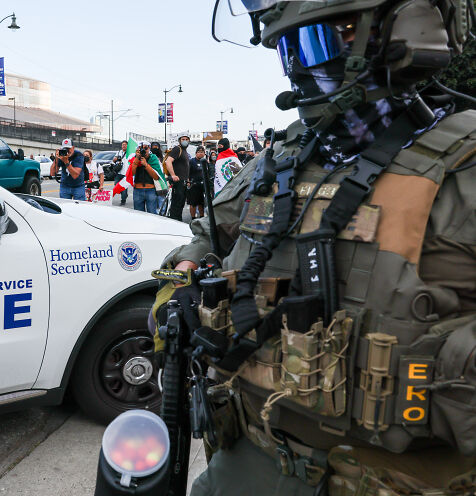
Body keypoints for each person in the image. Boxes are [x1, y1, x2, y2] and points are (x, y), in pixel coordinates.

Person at [152, 1, 476, 495]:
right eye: (289, 50)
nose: (302, 67)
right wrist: (183, 283)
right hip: (248, 456)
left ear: (403, 30)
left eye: (321, 41)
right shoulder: (279, 160)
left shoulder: (463, 167)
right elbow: (208, 234)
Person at [164, 134, 191, 221]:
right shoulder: (177, 149)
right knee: (176, 205)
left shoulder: (185, 151)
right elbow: (168, 161)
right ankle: (174, 223)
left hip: (183, 182)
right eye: (183, 139)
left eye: (187, 139)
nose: (185, 140)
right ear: (179, 140)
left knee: (180, 204)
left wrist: (187, 180)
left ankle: (178, 221)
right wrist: (173, 175)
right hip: (177, 182)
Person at [132, 142, 162, 214]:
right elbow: (132, 173)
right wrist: (137, 158)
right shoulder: (134, 158)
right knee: (138, 215)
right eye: (141, 148)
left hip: (150, 190)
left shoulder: (153, 158)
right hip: (138, 190)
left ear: (149, 148)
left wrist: (146, 164)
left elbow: (156, 176)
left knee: (152, 215)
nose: (144, 150)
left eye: (146, 148)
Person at [187, 146, 207, 219]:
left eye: (202, 152)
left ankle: (202, 217)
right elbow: (187, 173)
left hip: (202, 186)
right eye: (199, 152)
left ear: (204, 153)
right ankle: (193, 218)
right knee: (193, 203)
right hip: (193, 185)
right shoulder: (191, 161)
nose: (200, 153)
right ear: (196, 153)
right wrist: (188, 182)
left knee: (201, 203)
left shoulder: (205, 162)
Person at [112, 140, 129, 205]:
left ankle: (123, 199)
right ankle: (124, 194)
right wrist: (116, 159)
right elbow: (114, 160)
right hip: (118, 172)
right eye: (123, 145)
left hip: (126, 173)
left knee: (123, 188)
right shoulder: (119, 152)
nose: (124, 146)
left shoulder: (129, 152)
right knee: (116, 185)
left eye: (125, 144)